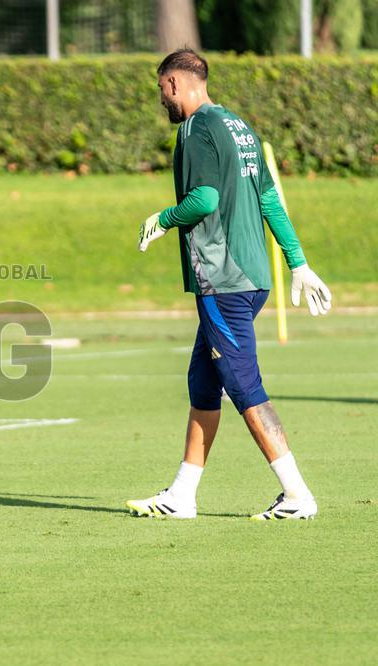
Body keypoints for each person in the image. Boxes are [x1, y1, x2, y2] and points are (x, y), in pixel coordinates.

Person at [128, 49, 332, 521]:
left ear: (176, 84)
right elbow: (268, 199)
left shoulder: (196, 128)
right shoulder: (241, 127)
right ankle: (181, 495)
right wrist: (297, 262)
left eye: (162, 91)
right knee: (203, 380)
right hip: (253, 277)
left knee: (242, 385)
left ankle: (297, 494)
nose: (162, 101)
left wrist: (163, 219)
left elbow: (203, 200)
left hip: (222, 280)